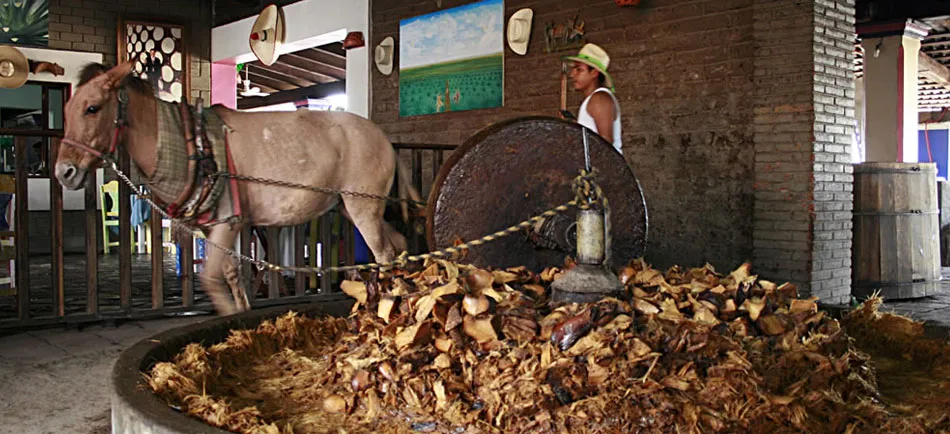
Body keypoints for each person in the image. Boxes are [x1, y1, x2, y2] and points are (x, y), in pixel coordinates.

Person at [563, 43, 622, 155]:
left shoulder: (599, 99)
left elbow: (605, 145)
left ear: (594, 73)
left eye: (579, 70)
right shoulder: (593, 99)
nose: (572, 75)